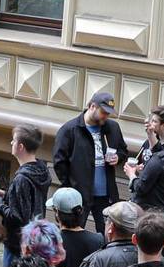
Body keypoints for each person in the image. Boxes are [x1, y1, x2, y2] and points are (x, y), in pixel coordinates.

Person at [52, 92, 130, 232]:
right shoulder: (70, 130)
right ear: (92, 106)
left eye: (109, 113)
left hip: (106, 194)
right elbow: (59, 162)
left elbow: (123, 150)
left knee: (108, 233)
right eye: (103, 112)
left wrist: (118, 157)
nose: (106, 116)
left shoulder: (112, 127)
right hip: (79, 195)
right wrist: (71, 186)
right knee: (74, 232)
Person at [0, 124, 52, 262]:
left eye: (14, 140)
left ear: (20, 147)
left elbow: (17, 217)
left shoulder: (21, 179)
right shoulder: (42, 170)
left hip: (17, 245)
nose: (11, 143)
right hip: (34, 239)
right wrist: (8, 195)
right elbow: (29, 201)